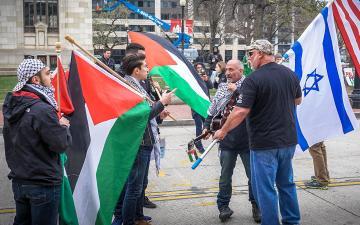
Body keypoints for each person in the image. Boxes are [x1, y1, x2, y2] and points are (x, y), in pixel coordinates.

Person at [213, 39, 302, 225]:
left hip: (264, 143)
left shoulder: (253, 79)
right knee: (287, 184)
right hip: (288, 140)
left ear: (260, 53)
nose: (248, 59)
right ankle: (292, 221)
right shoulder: (290, 74)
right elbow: (297, 100)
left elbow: (240, 111)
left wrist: (223, 130)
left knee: (265, 188)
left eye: (250, 53)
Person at [3, 59, 72, 225]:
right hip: (43, 183)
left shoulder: (12, 105)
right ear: (35, 79)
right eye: (47, 74)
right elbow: (60, 144)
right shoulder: (42, 109)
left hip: (20, 180)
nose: (50, 78)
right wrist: (62, 126)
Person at [116, 53, 173, 225]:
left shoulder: (138, 85)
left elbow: (147, 114)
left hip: (144, 141)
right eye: (145, 66)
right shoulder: (129, 88)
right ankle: (128, 221)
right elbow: (141, 116)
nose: (148, 69)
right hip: (138, 143)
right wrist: (161, 102)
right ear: (136, 70)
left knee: (137, 187)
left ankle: (137, 217)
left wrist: (160, 113)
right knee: (134, 188)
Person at [203, 60, 260, 223]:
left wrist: (237, 91)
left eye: (231, 70)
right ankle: (223, 207)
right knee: (225, 176)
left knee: (253, 176)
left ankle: (256, 206)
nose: (227, 73)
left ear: (241, 71)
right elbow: (213, 108)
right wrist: (207, 126)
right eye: (226, 69)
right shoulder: (222, 86)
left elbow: (254, 105)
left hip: (248, 140)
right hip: (226, 139)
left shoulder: (249, 85)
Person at [191, 63, 212, 153]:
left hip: (205, 105)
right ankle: (198, 144)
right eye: (198, 68)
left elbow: (211, 87)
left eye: (201, 67)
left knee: (208, 125)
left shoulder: (205, 77)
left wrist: (206, 80)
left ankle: (213, 139)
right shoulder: (193, 78)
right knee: (199, 126)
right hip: (196, 106)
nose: (199, 69)